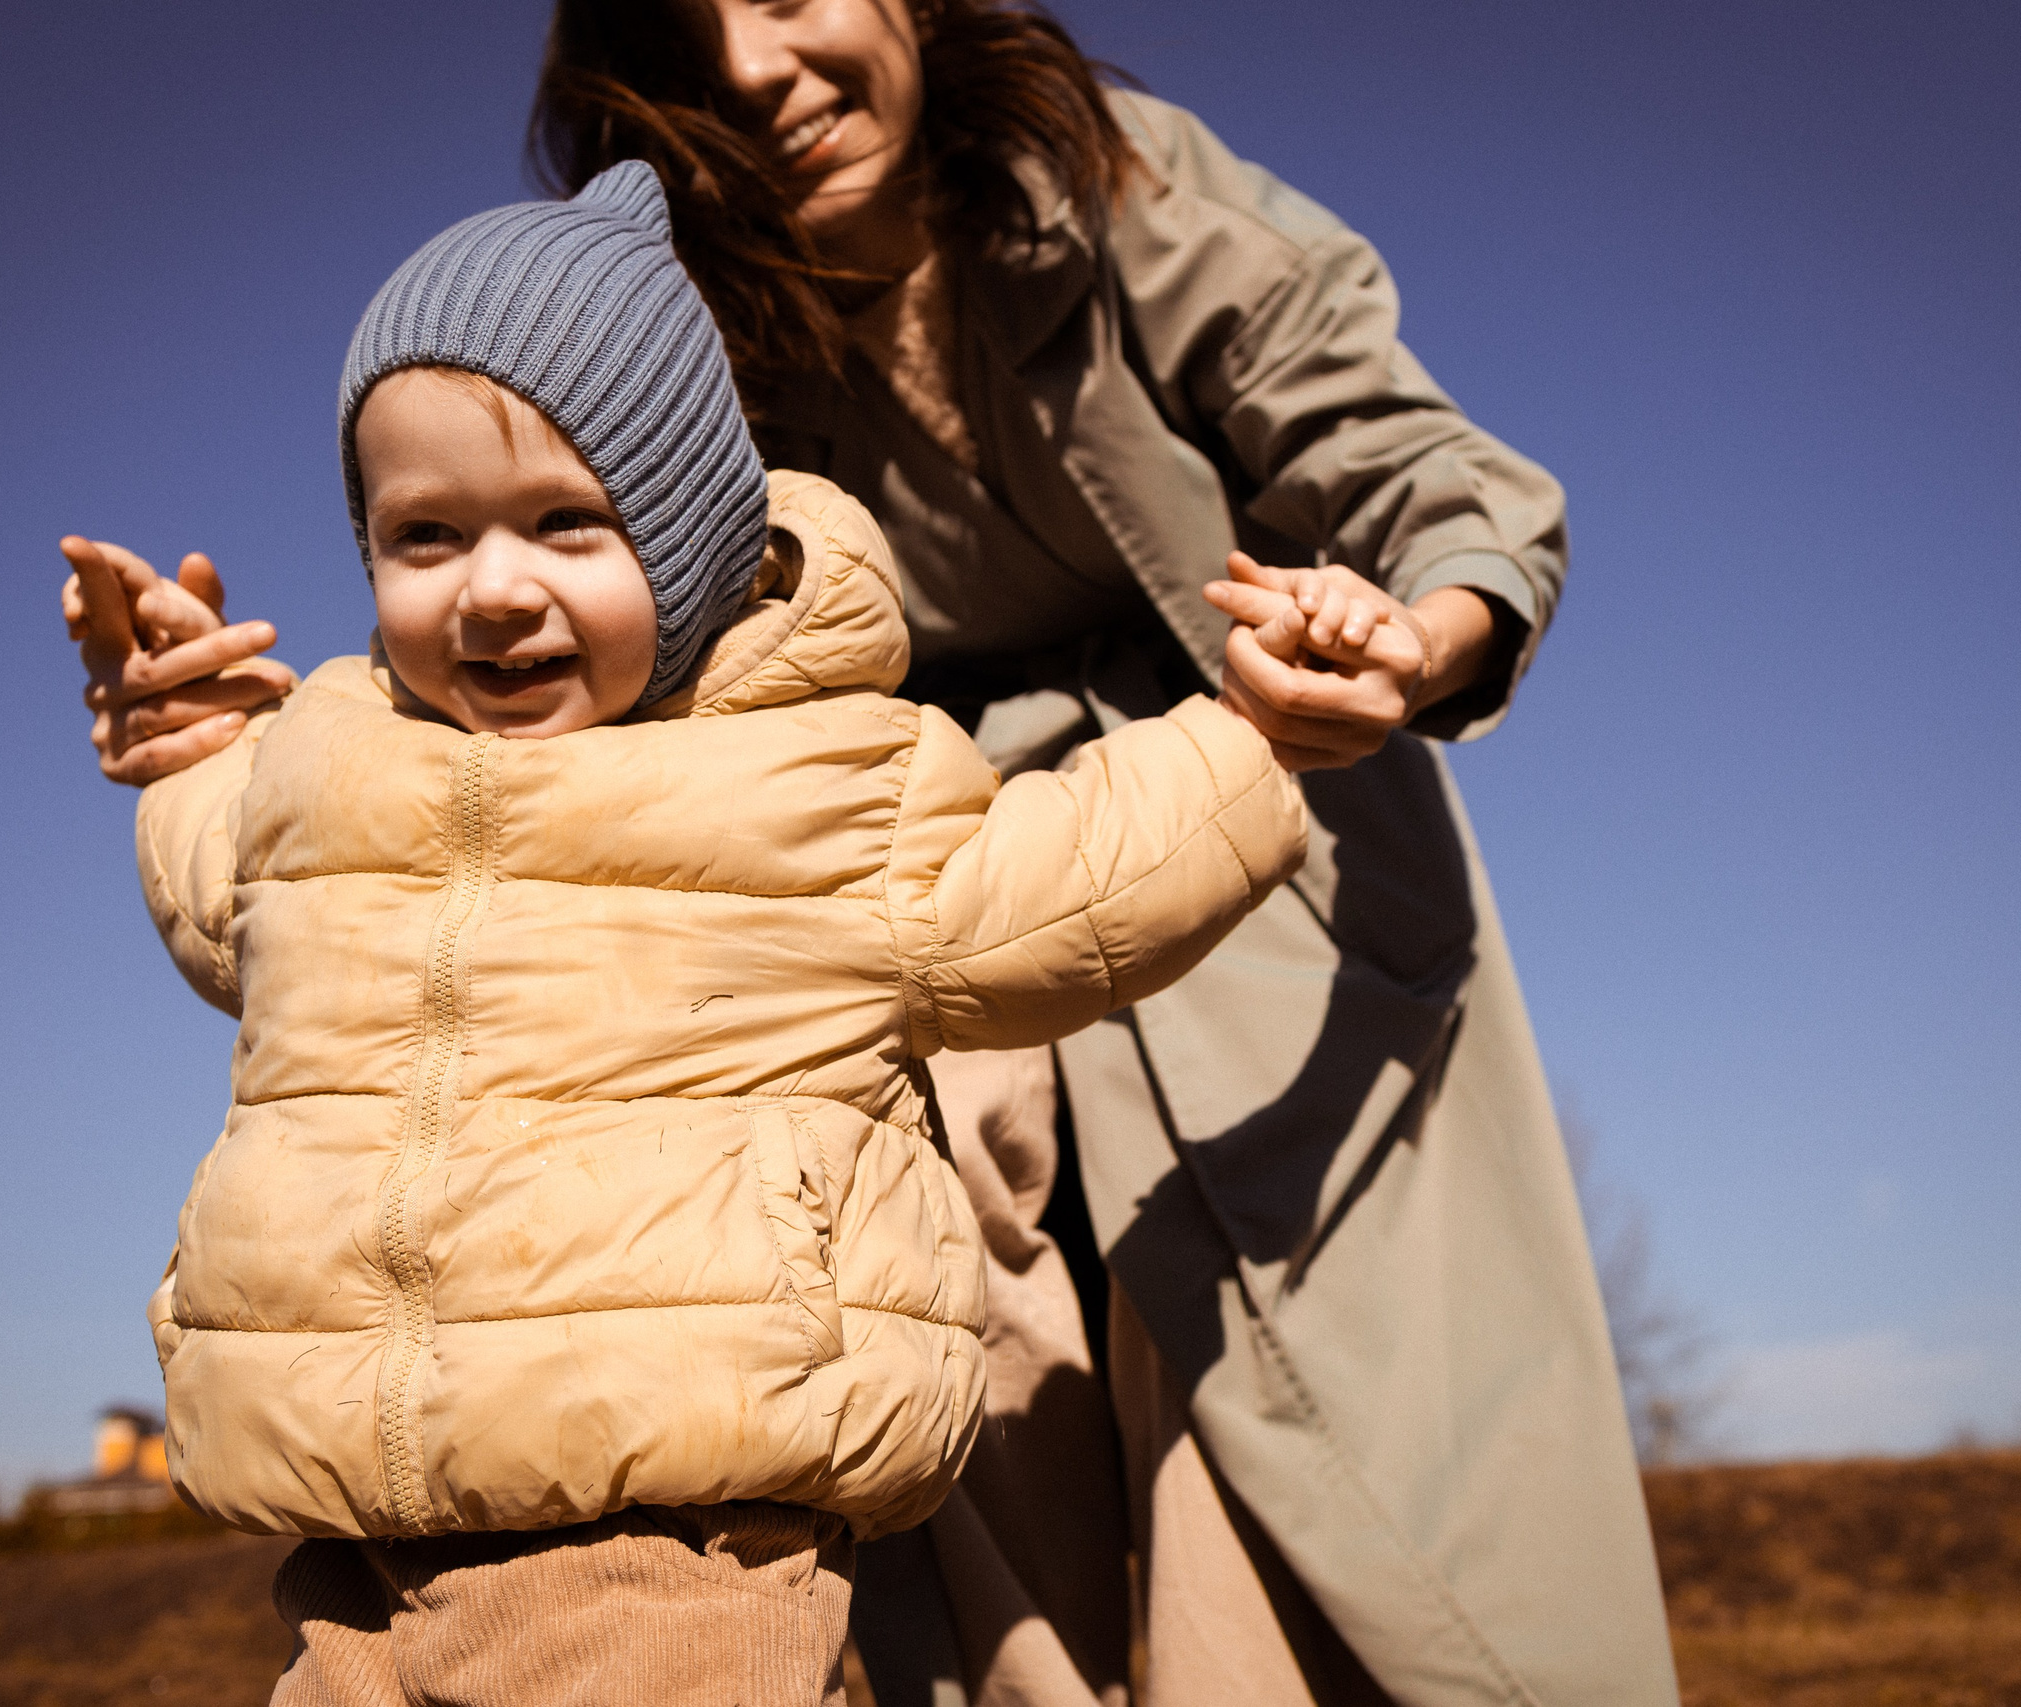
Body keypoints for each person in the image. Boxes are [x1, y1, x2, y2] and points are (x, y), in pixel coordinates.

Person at [68, 3, 1679, 1702]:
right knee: (913, 1366)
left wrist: (1409, 640)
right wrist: (215, 750)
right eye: (692, 29)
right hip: (810, 907)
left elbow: (1410, 465)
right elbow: (430, 806)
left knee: (1287, 1417)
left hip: (1223, 813)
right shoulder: (657, 311)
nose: (757, 65)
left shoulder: (1116, 194)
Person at [90, 160, 1310, 1705]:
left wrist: (1257, 733)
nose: (494, 589)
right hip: (357, 1547)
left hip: (678, 1528)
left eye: (568, 524)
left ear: (689, 542)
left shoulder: (816, 783)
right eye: (427, 536)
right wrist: (198, 743)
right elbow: (234, 893)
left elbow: (1065, 882)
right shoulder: (335, 772)